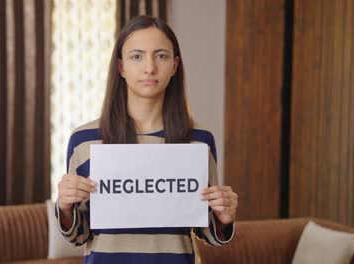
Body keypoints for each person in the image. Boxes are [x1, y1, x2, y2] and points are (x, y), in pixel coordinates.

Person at [55, 15, 238, 264]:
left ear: (174, 65)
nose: (149, 68)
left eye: (161, 56)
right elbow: (79, 235)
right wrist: (65, 208)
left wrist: (223, 217)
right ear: (121, 67)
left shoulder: (199, 140)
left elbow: (207, 231)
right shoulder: (84, 140)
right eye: (136, 56)